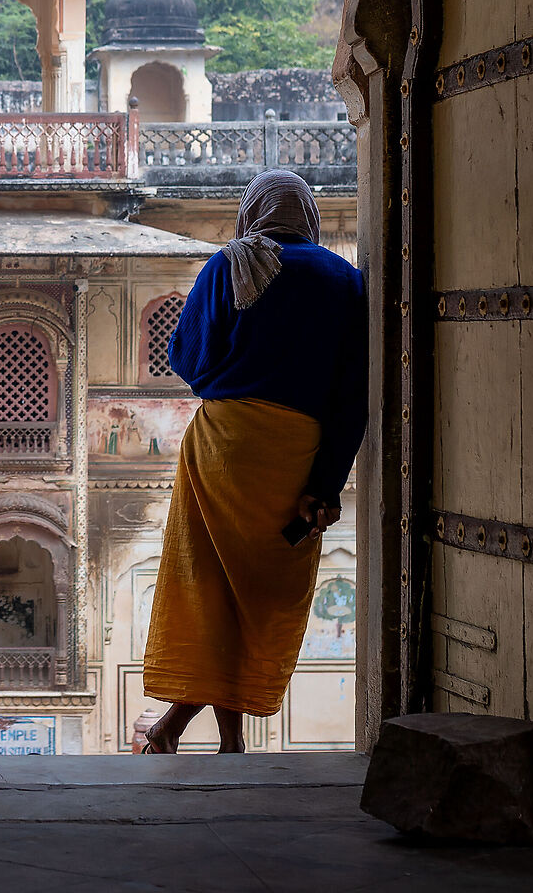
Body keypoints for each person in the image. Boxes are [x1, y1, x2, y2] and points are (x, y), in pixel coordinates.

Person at [140, 169, 367, 754]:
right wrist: (327, 484)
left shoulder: (233, 263)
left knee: (213, 589)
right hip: (298, 452)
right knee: (262, 598)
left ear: (253, 213)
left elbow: (188, 359)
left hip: (225, 448)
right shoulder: (347, 282)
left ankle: (187, 731)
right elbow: (353, 396)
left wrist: (234, 382)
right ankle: (224, 740)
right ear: (309, 216)